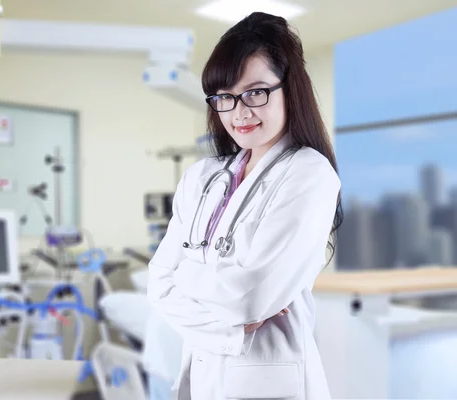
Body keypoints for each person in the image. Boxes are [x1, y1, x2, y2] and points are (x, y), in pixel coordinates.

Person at [146, 11, 343, 400]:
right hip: (203, 378)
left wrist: (185, 274)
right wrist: (228, 325)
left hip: (270, 383)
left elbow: (252, 297)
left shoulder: (310, 174)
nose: (239, 112)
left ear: (290, 88)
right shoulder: (203, 177)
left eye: (255, 92)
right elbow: (157, 283)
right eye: (225, 97)